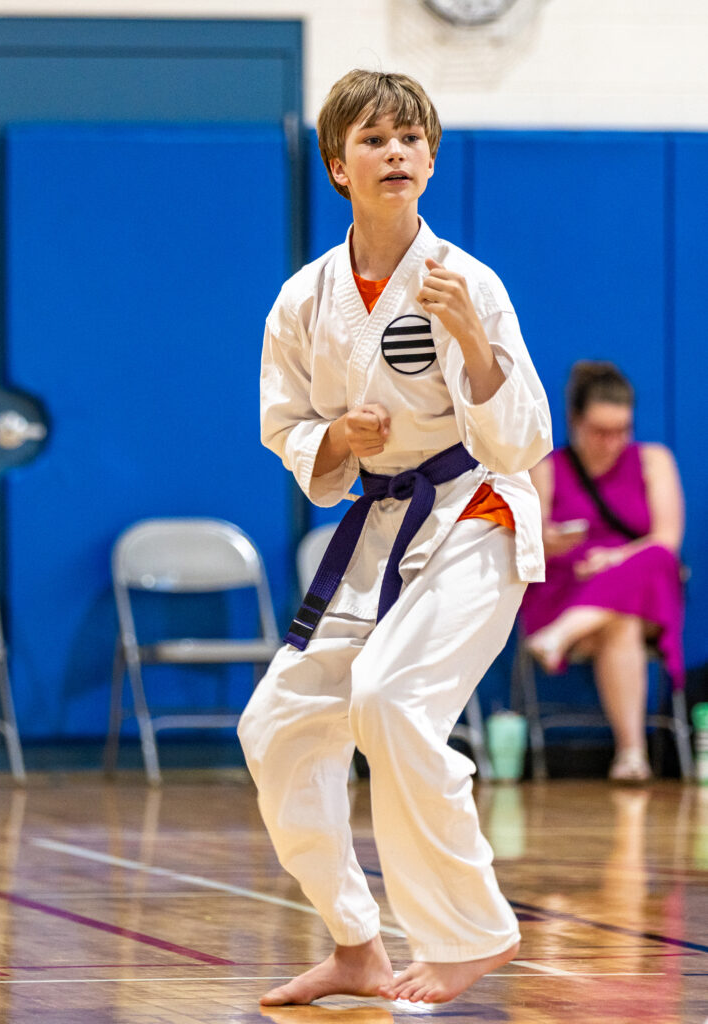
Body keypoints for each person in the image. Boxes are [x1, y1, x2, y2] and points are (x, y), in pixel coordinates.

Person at [237, 69, 552, 1006]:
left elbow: (521, 443)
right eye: (373, 140)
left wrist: (476, 345)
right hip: (378, 524)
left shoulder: (465, 281)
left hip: (473, 512)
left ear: (431, 159)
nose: (396, 153)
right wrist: (336, 439)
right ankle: (354, 944)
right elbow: (285, 424)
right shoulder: (305, 297)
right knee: (276, 726)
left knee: (391, 698)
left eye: (411, 139)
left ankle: (471, 933)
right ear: (338, 165)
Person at [521, 361, 685, 784]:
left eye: (621, 430)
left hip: (640, 583)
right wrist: (550, 541)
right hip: (567, 588)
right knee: (622, 622)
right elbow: (529, 544)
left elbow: (666, 538)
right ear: (574, 420)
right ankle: (631, 756)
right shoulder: (547, 467)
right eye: (599, 431)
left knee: (656, 557)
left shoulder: (653, 460)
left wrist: (614, 559)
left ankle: (558, 637)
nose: (611, 442)